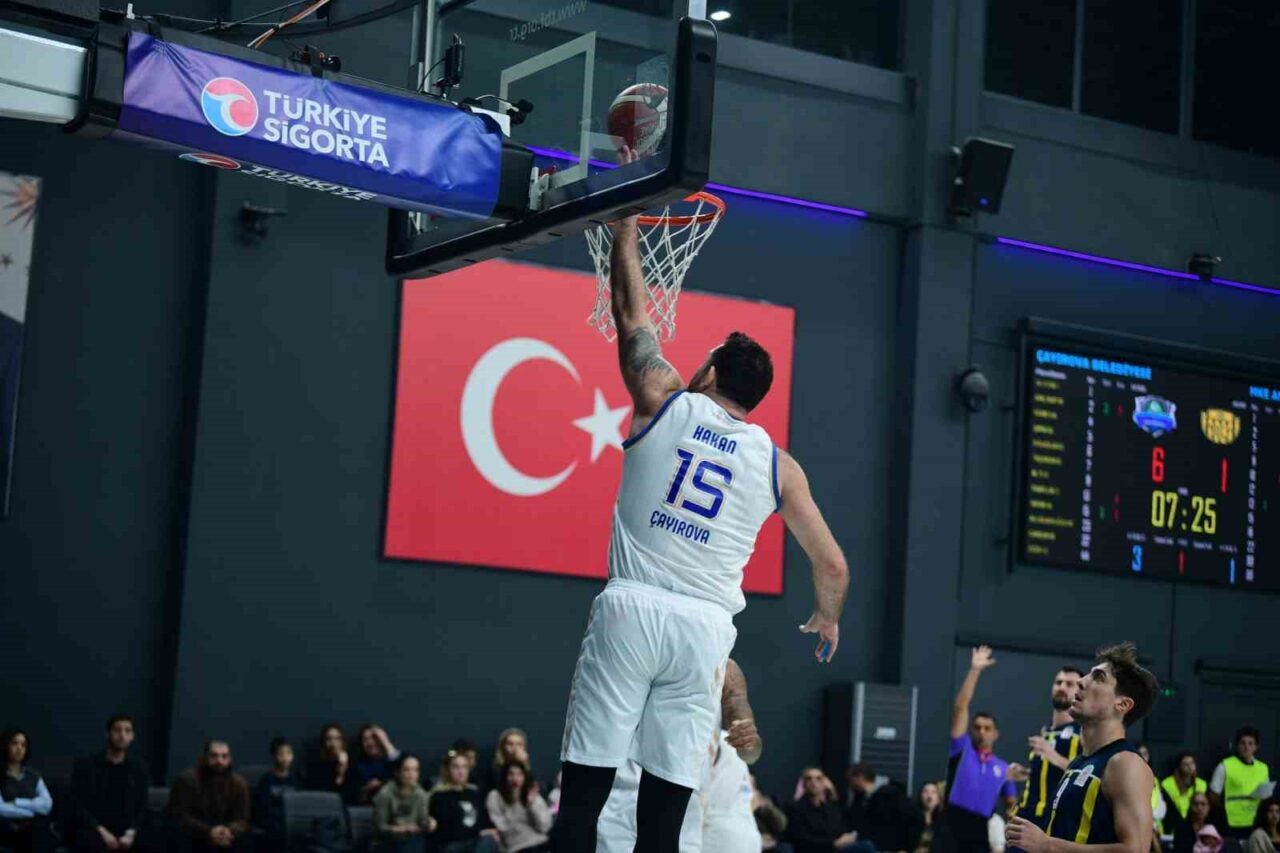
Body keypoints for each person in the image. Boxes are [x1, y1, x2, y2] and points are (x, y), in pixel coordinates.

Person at [554, 146, 850, 853]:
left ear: (711, 371)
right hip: (706, 632)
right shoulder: (780, 466)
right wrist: (826, 617)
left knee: (584, 798)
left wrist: (626, 224)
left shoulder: (664, 398)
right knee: (665, 814)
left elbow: (632, 316)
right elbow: (833, 565)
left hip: (633, 608)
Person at [1005, 641, 1160, 853]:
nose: (1080, 681)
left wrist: (1047, 845)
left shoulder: (1125, 763)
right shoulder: (1080, 761)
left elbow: (1136, 850)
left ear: (1123, 704)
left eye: (1098, 678)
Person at [941, 647, 1018, 853]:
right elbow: (961, 707)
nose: (981, 731)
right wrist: (975, 670)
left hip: (980, 830)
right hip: (951, 826)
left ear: (996, 734)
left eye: (987, 728)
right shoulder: (961, 749)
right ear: (970, 730)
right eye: (977, 727)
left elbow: (1011, 805)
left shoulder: (1003, 768)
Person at [1009, 668, 1084, 828]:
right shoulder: (1046, 731)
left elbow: (1085, 775)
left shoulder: (1083, 732)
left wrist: (1053, 756)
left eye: (1069, 684)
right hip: (1026, 815)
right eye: (1058, 682)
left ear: (1080, 693)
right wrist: (1025, 773)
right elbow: (1050, 776)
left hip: (1053, 821)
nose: (1061, 687)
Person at [69, 714, 150, 853]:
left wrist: (131, 832)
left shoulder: (139, 768)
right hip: (95, 828)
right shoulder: (87, 765)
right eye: (117, 730)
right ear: (107, 734)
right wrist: (101, 831)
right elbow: (78, 805)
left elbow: (142, 805)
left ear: (132, 736)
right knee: (86, 841)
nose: (122, 735)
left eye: (127, 731)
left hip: (127, 830)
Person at [167, 740, 252, 853]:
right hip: (194, 837)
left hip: (227, 838)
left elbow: (243, 819)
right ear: (204, 758)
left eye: (224, 756)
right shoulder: (187, 780)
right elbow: (179, 816)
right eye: (214, 756)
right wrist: (209, 831)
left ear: (230, 759)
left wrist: (227, 831)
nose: (219, 761)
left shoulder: (239, 784)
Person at [428, 751, 500, 853]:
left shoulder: (474, 793)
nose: (461, 771)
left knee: (490, 840)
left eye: (464, 767)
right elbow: (447, 828)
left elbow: (482, 821)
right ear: (448, 770)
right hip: (451, 845)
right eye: (456, 767)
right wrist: (478, 833)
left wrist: (486, 832)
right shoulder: (439, 795)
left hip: (473, 843)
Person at [1210, 728, 1272, 839]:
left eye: (1250, 743)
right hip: (1231, 823)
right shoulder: (1225, 766)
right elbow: (1213, 796)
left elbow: (1266, 797)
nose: (1246, 747)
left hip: (1256, 822)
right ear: (1237, 746)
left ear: (1256, 747)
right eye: (1243, 743)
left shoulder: (1263, 768)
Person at [0, 730, 53, 853]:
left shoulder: (33, 775)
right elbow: (1, 809)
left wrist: (17, 802)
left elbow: (47, 805)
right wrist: (33, 811)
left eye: (23, 745)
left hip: (35, 829)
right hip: (8, 829)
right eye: (14, 743)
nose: (19, 748)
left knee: (41, 833)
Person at [373, 755, 436, 853]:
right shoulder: (385, 794)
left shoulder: (421, 794)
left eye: (415, 770)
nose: (411, 774)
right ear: (397, 772)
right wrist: (403, 829)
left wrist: (429, 823)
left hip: (413, 840)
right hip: (387, 841)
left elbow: (422, 821)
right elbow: (379, 828)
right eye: (407, 770)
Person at [785, 768, 857, 853]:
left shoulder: (831, 809)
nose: (813, 782)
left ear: (824, 783)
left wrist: (832, 791)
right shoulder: (794, 808)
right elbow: (801, 839)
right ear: (803, 784)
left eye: (818, 779)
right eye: (809, 779)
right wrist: (833, 843)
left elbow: (842, 829)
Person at [485, 762, 551, 852]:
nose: (515, 778)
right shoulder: (495, 797)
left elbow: (544, 828)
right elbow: (503, 828)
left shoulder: (533, 797)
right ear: (504, 777)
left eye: (519, 774)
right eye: (511, 774)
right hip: (517, 847)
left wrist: (532, 805)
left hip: (541, 843)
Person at [253, 737, 300, 853]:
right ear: (273, 756)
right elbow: (262, 810)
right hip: (272, 829)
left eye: (288, 753)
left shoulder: (297, 779)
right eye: (281, 754)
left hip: (293, 826)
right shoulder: (266, 780)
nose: (285, 758)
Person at [306, 724, 357, 804]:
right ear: (323, 742)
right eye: (329, 739)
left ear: (342, 742)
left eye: (337, 739)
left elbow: (353, 795)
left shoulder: (352, 765)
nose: (333, 743)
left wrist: (343, 769)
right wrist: (339, 776)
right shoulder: (317, 766)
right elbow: (321, 793)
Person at [356, 726, 404, 804]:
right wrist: (366, 788)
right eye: (365, 739)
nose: (370, 743)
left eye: (375, 738)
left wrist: (386, 743)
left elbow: (404, 774)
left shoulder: (392, 760)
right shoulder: (358, 765)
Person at [1162, 754, 1208, 828]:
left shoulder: (1202, 784)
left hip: (1194, 823)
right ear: (1179, 766)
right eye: (1185, 764)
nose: (1190, 767)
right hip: (1173, 823)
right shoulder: (1167, 784)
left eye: (1192, 763)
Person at [752, 775, 791, 853]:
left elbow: (781, 826)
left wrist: (768, 808)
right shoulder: (733, 809)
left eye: (753, 786)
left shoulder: (764, 803)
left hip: (771, 843)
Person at [914, 783, 942, 853]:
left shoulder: (944, 820)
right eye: (926, 792)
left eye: (933, 792)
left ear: (939, 798)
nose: (929, 795)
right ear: (920, 796)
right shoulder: (913, 818)